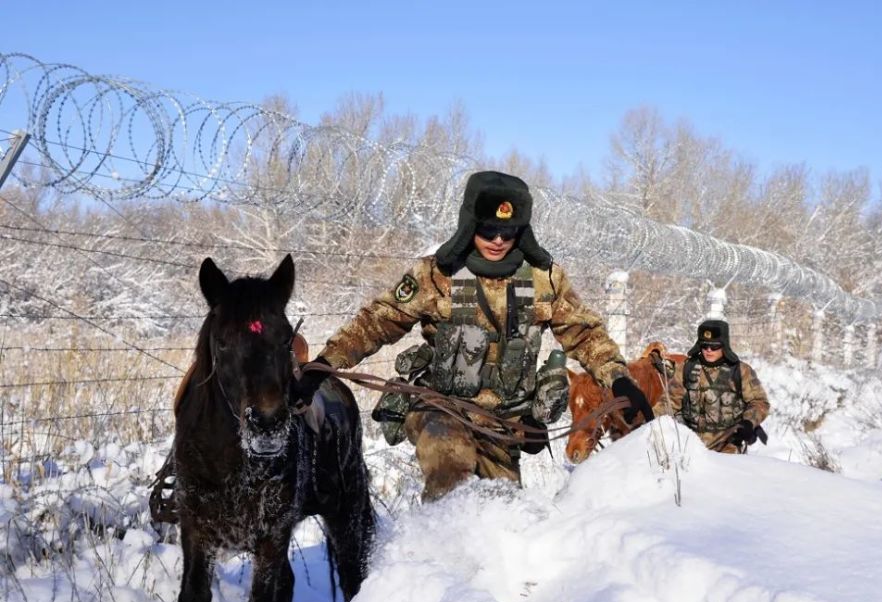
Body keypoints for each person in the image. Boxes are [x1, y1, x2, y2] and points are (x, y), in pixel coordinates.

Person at [292, 170, 654, 500]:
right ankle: (433, 556)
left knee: (501, 511)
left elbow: (585, 334)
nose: (498, 240)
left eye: (508, 232)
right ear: (469, 225)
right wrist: (324, 365)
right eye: (487, 230)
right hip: (440, 408)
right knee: (451, 469)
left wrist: (619, 380)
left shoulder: (544, 280)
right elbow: (378, 321)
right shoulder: (436, 274)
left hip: (504, 426)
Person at [664, 319, 769, 454]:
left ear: (724, 346)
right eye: (704, 345)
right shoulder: (687, 368)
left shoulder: (741, 371)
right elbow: (668, 403)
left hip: (727, 444)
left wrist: (748, 423)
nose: (708, 350)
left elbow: (759, 402)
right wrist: (648, 423)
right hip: (689, 444)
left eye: (714, 346)